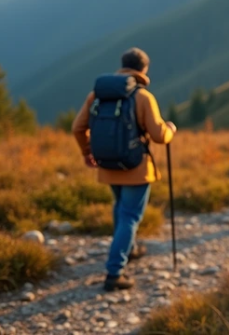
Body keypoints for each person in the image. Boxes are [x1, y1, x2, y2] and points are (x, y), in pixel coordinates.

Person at [72, 47, 176, 292]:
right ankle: (114, 272)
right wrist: (170, 130)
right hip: (136, 167)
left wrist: (87, 152)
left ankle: (129, 249)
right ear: (144, 69)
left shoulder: (97, 95)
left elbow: (78, 128)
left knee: (120, 207)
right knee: (130, 216)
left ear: (122, 65)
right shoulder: (143, 97)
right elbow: (159, 135)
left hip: (107, 165)